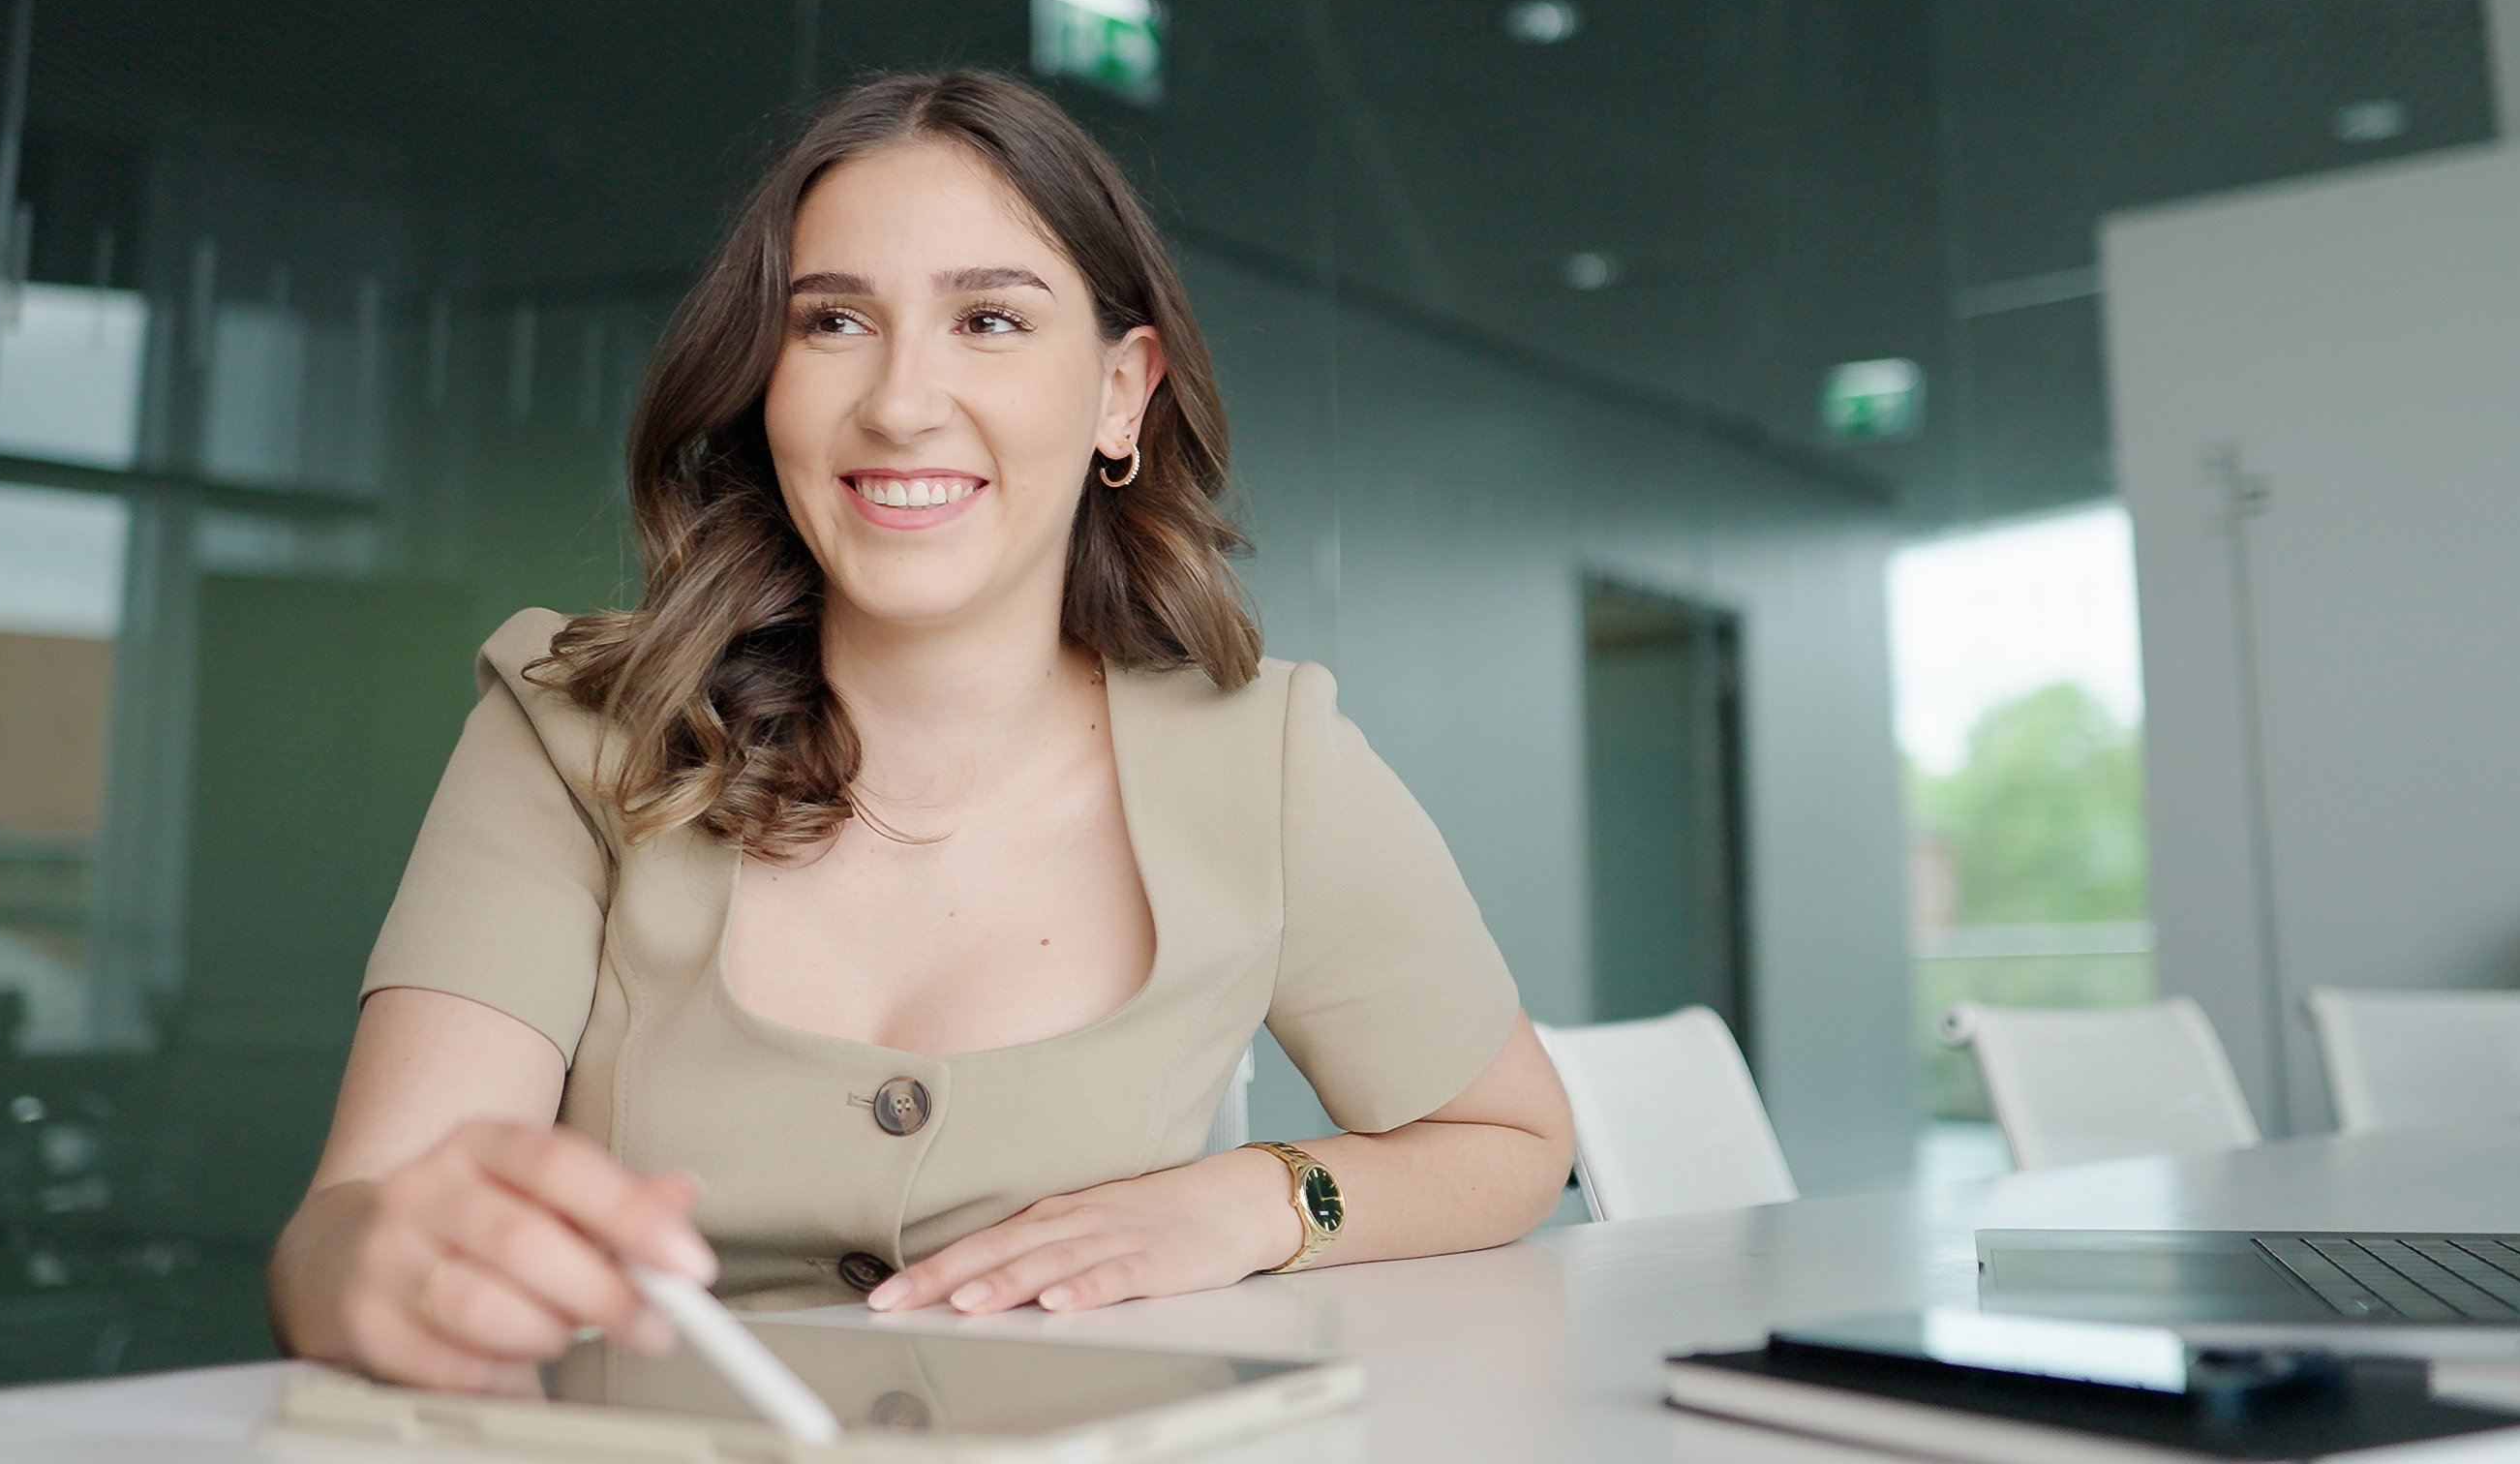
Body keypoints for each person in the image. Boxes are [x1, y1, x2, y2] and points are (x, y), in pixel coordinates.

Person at [270, 69, 1576, 1390]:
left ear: (1123, 393)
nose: (900, 403)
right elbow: (349, 1229)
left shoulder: (1270, 758)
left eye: (990, 320)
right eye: (833, 321)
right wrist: (378, 1271)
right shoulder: (576, 739)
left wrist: (1248, 1204)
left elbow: (1509, 1140)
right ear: (761, 381)